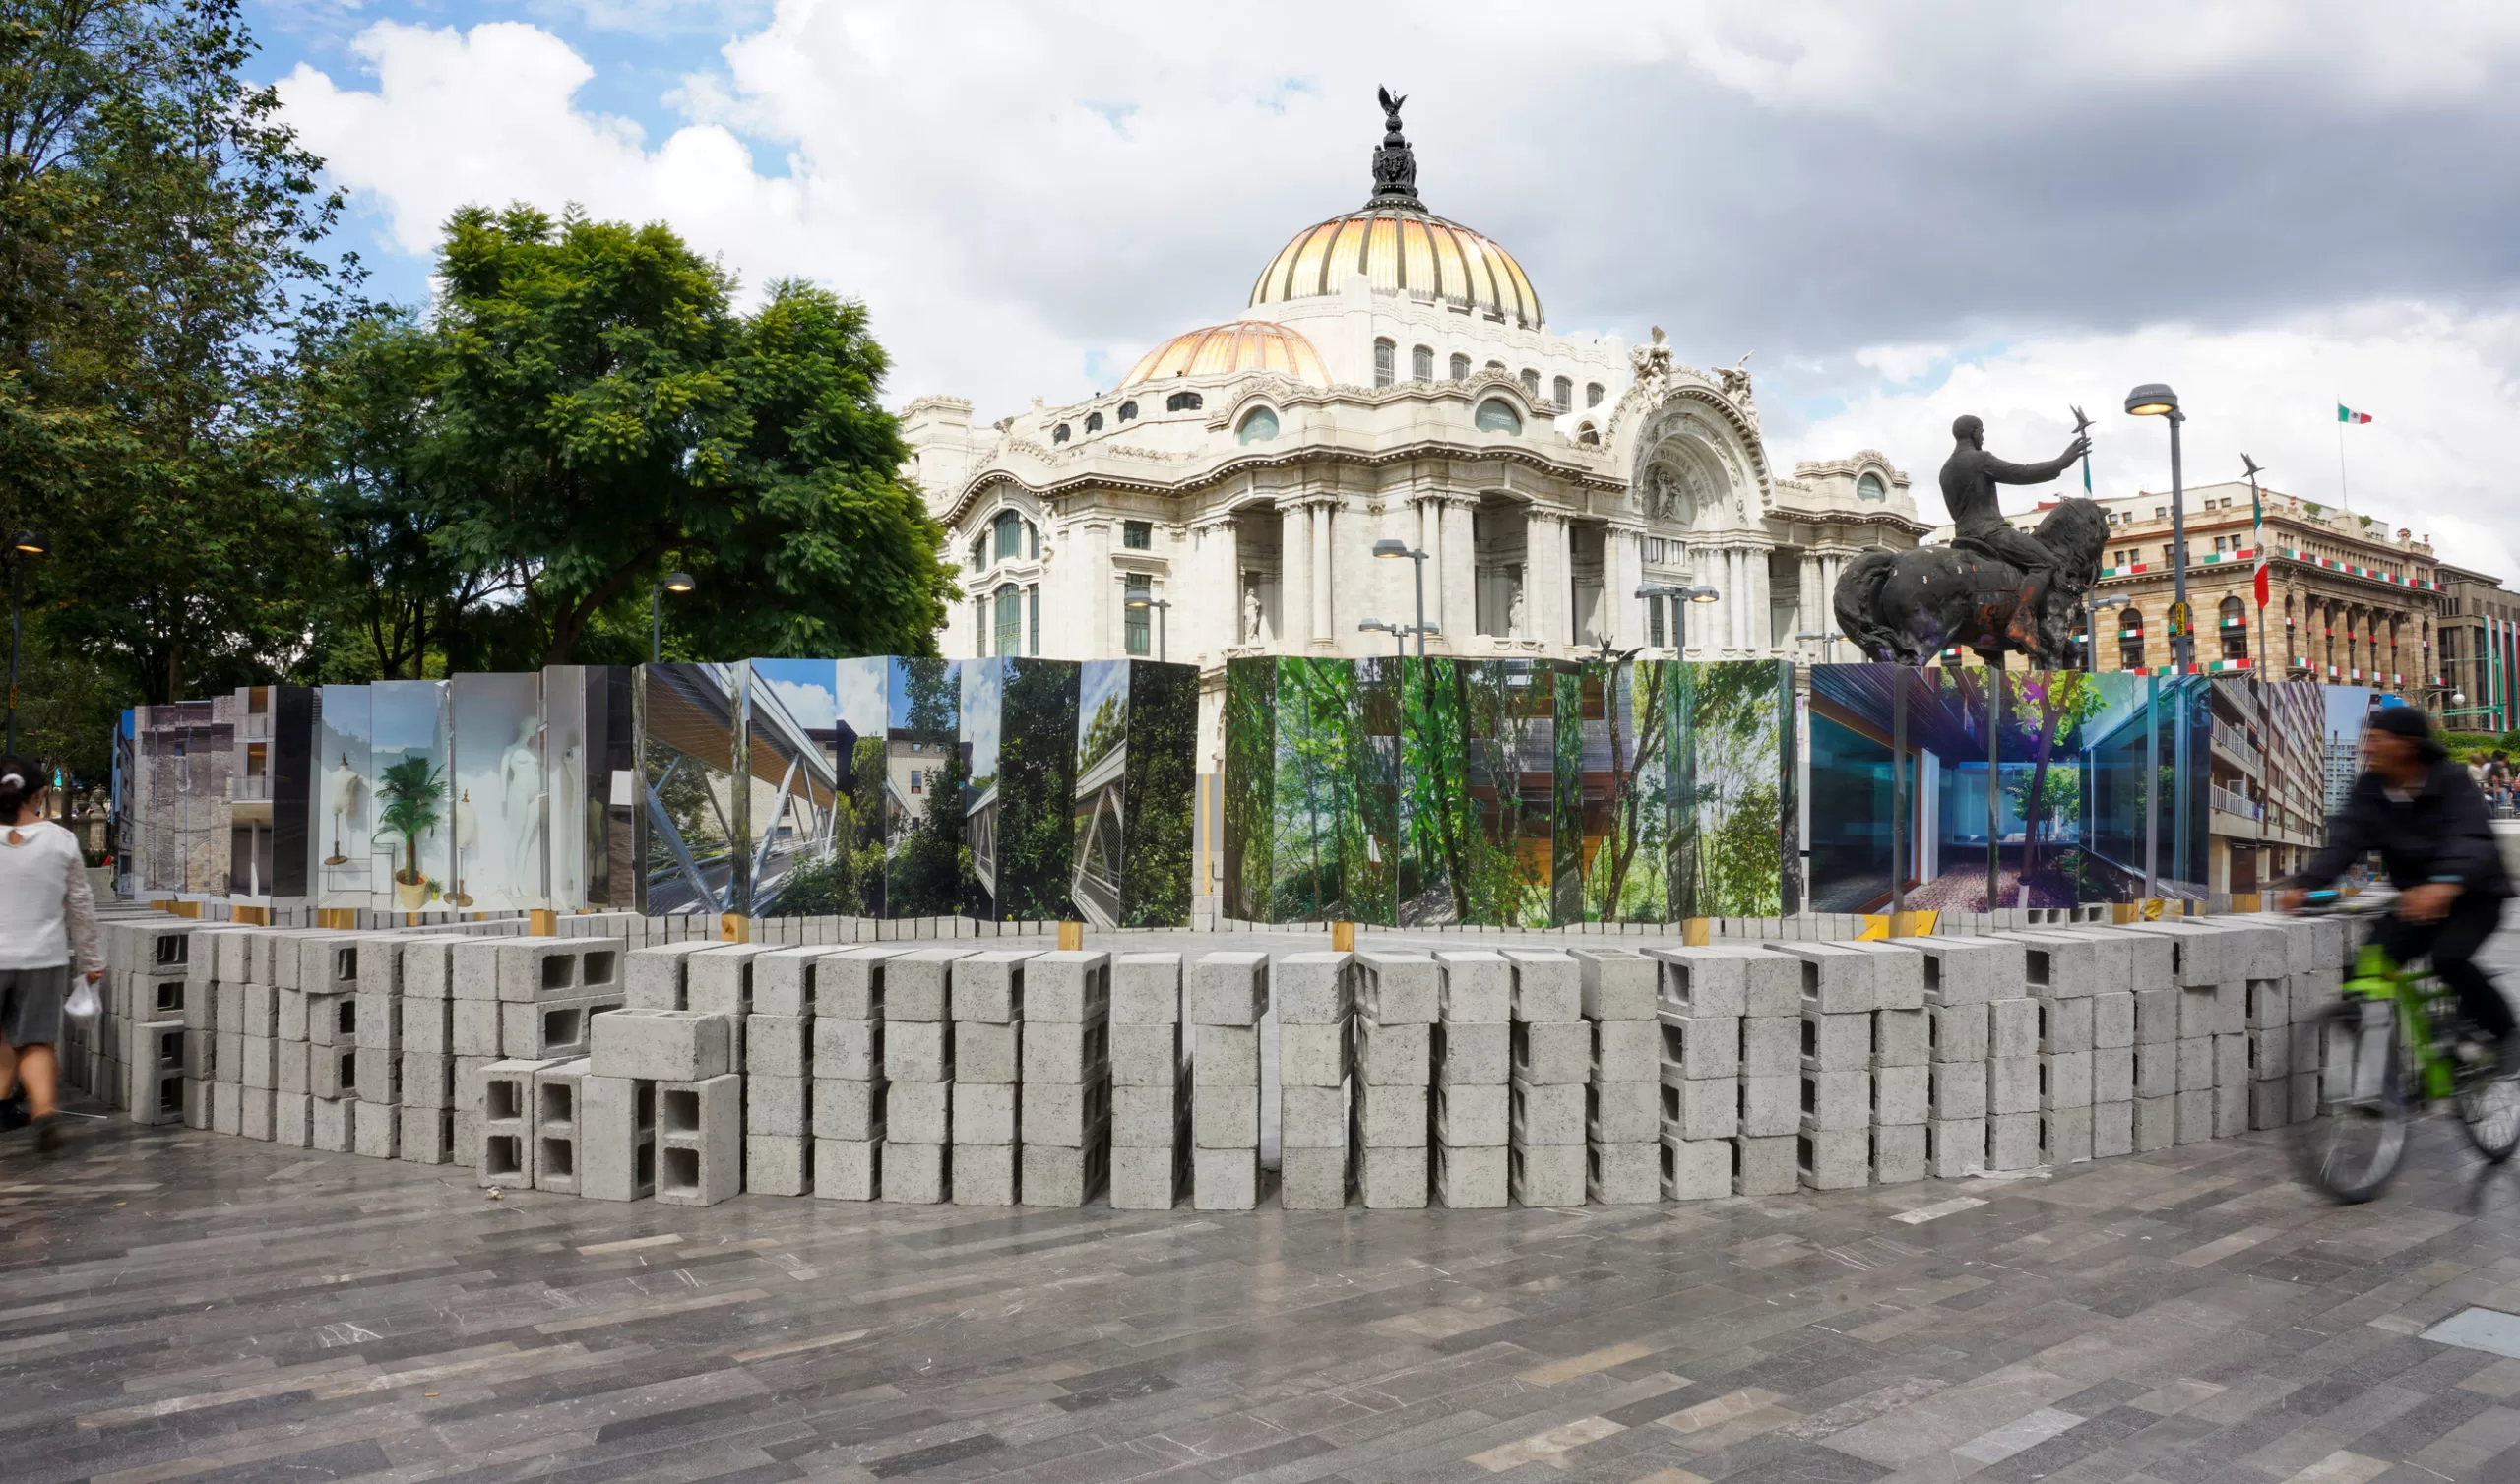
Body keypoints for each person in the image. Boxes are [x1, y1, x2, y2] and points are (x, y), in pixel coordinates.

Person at [2281, 709, 2519, 1076]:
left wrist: (2445, 883)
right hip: (2414, 903)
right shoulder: (2370, 789)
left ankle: (2505, 1036)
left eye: (2377, 740)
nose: (2368, 748)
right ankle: (2384, 1084)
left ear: (2407, 745)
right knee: (2363, 972)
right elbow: (2345, 841)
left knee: (2448, 960)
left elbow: (2470, 839)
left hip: (2474, 896)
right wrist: (2306, 884)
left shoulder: (2451, 780)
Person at [0, 756, 100, 1156]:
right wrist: (92, 961)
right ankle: (43, 1111)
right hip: (42, 958)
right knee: (35, 1043)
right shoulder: (60, 840)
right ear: (41, 793)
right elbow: (81, 906)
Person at [1938, 414, 2092, 656]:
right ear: (1975, 432)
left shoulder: (1945, 470)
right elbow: (2022, 473)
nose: (1983, 437)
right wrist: (2061, 463)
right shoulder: (1980, 459)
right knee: (2046, 562)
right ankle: (2022, 622)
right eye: (1982, 432)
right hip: (1990, 531)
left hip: (1963, 537)